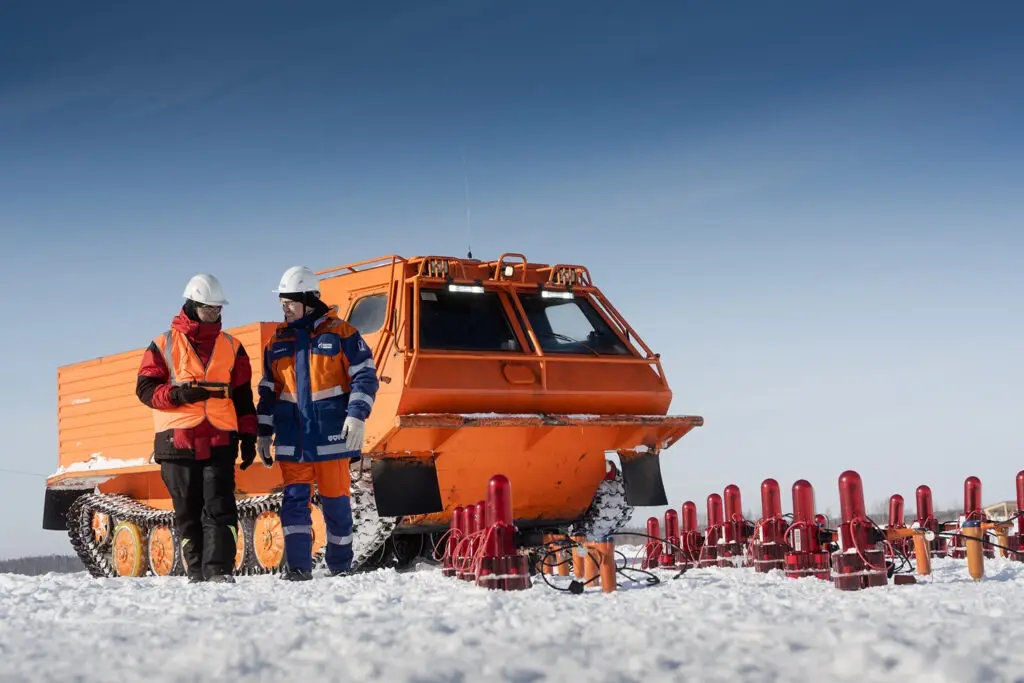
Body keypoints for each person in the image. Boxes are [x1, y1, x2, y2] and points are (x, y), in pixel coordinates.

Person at [255, 265, 379, 581]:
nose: (284, 309)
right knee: (294, 508)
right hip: (292, 442)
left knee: (337, 507)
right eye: (282, 302)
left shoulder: (343, 334)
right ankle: (298, 568)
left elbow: (365, 375)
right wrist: (263, 431)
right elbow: (268, 390)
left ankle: (340, 567)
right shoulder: (277, 342)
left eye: (290, 303)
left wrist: (356, 415)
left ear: (309, 300)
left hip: (331, 440)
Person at [136, 273, 259, 583]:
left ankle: (219, 571)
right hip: (177, 441)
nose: (215, 314)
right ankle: (196, 572)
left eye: (218, 308)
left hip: (219, 438)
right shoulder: (163, 344)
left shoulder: (232, 346)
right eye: (209, 308)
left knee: (220, 506)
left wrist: (248, 436)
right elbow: (145, 389)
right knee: (187, 511)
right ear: (191, 305)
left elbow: (243, 396)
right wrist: (177, 395)